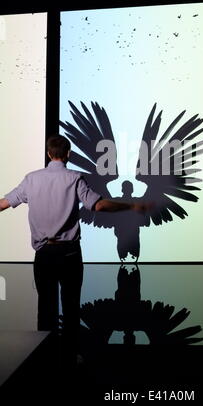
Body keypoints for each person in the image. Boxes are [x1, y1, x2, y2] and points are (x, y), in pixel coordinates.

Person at [0, 134, 147, 362]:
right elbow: (98, 205)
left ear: (49, 153)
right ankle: (69, 357)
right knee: (70, 308)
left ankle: (45, 358)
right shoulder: (75, 178)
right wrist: (131, 205)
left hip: (44, 255)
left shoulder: (31, 179)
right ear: (68, 154)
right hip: (69, 255)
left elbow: (4, 203)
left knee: (45, 308)